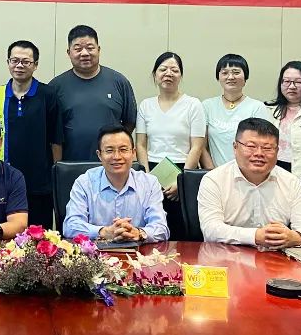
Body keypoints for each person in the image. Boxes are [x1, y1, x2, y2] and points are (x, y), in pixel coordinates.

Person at [197, 118, 301, 249]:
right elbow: (211, 230)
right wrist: (256, 236)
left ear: (277, 151)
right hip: (225, 257)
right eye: (251, 146)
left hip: (275, 258)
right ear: (235, 147)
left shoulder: (291, 182)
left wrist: (295, 237)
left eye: (267, 148)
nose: (259, 153)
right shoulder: (214, 180)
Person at [0, 40, 61, 229]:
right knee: (4, 234)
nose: (19, 65)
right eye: (14, 60)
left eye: (26, 61)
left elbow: (56, 139)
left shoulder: (48, 94)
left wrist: (56, 174)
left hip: (40, 183)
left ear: (35, 65)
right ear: (8, 62)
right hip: (3, 180)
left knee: (39, 237)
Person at [134, 52, 205, 240]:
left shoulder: (193, 105)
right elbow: (140, 144)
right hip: (152, 171)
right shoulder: (146, 105)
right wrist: (147, 178)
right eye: (163, 69)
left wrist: (182, 181)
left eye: (174, 70)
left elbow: (197, 146)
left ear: (181, 75)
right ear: (155, 74)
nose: (168, 73)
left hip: (183, 169)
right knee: (151, 229)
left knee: (181, 231)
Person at [64, 124, 170, 243]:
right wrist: (104, 232)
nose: (117, 156)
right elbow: (70, 226)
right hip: (95, 253)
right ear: (99, 155)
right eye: (109, 150)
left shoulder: (150, 183)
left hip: (140, 252)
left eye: (123, 150)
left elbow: (161, 228)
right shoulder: (84, 183)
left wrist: (138, 233)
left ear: (133, 153)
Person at [50, 25, 137, 161]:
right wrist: (58, 165)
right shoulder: (56, 86)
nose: (84, 53)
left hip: (111, 164)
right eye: (78, 49)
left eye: (90, 48)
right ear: (68, 52)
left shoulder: (119, 82)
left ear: (99, 50)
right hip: (70, 164)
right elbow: (52, 132)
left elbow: (130, 122)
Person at [201, 53, 272, 169]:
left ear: (245, 77)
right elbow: (202, 146)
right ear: (218, 77)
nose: (230, 77)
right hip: (215, 173)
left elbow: (262, 146)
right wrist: (213, 173)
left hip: (249, 172)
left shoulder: (257, 107)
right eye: (225, 73)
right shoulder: (207, 106)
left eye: (236, 72)